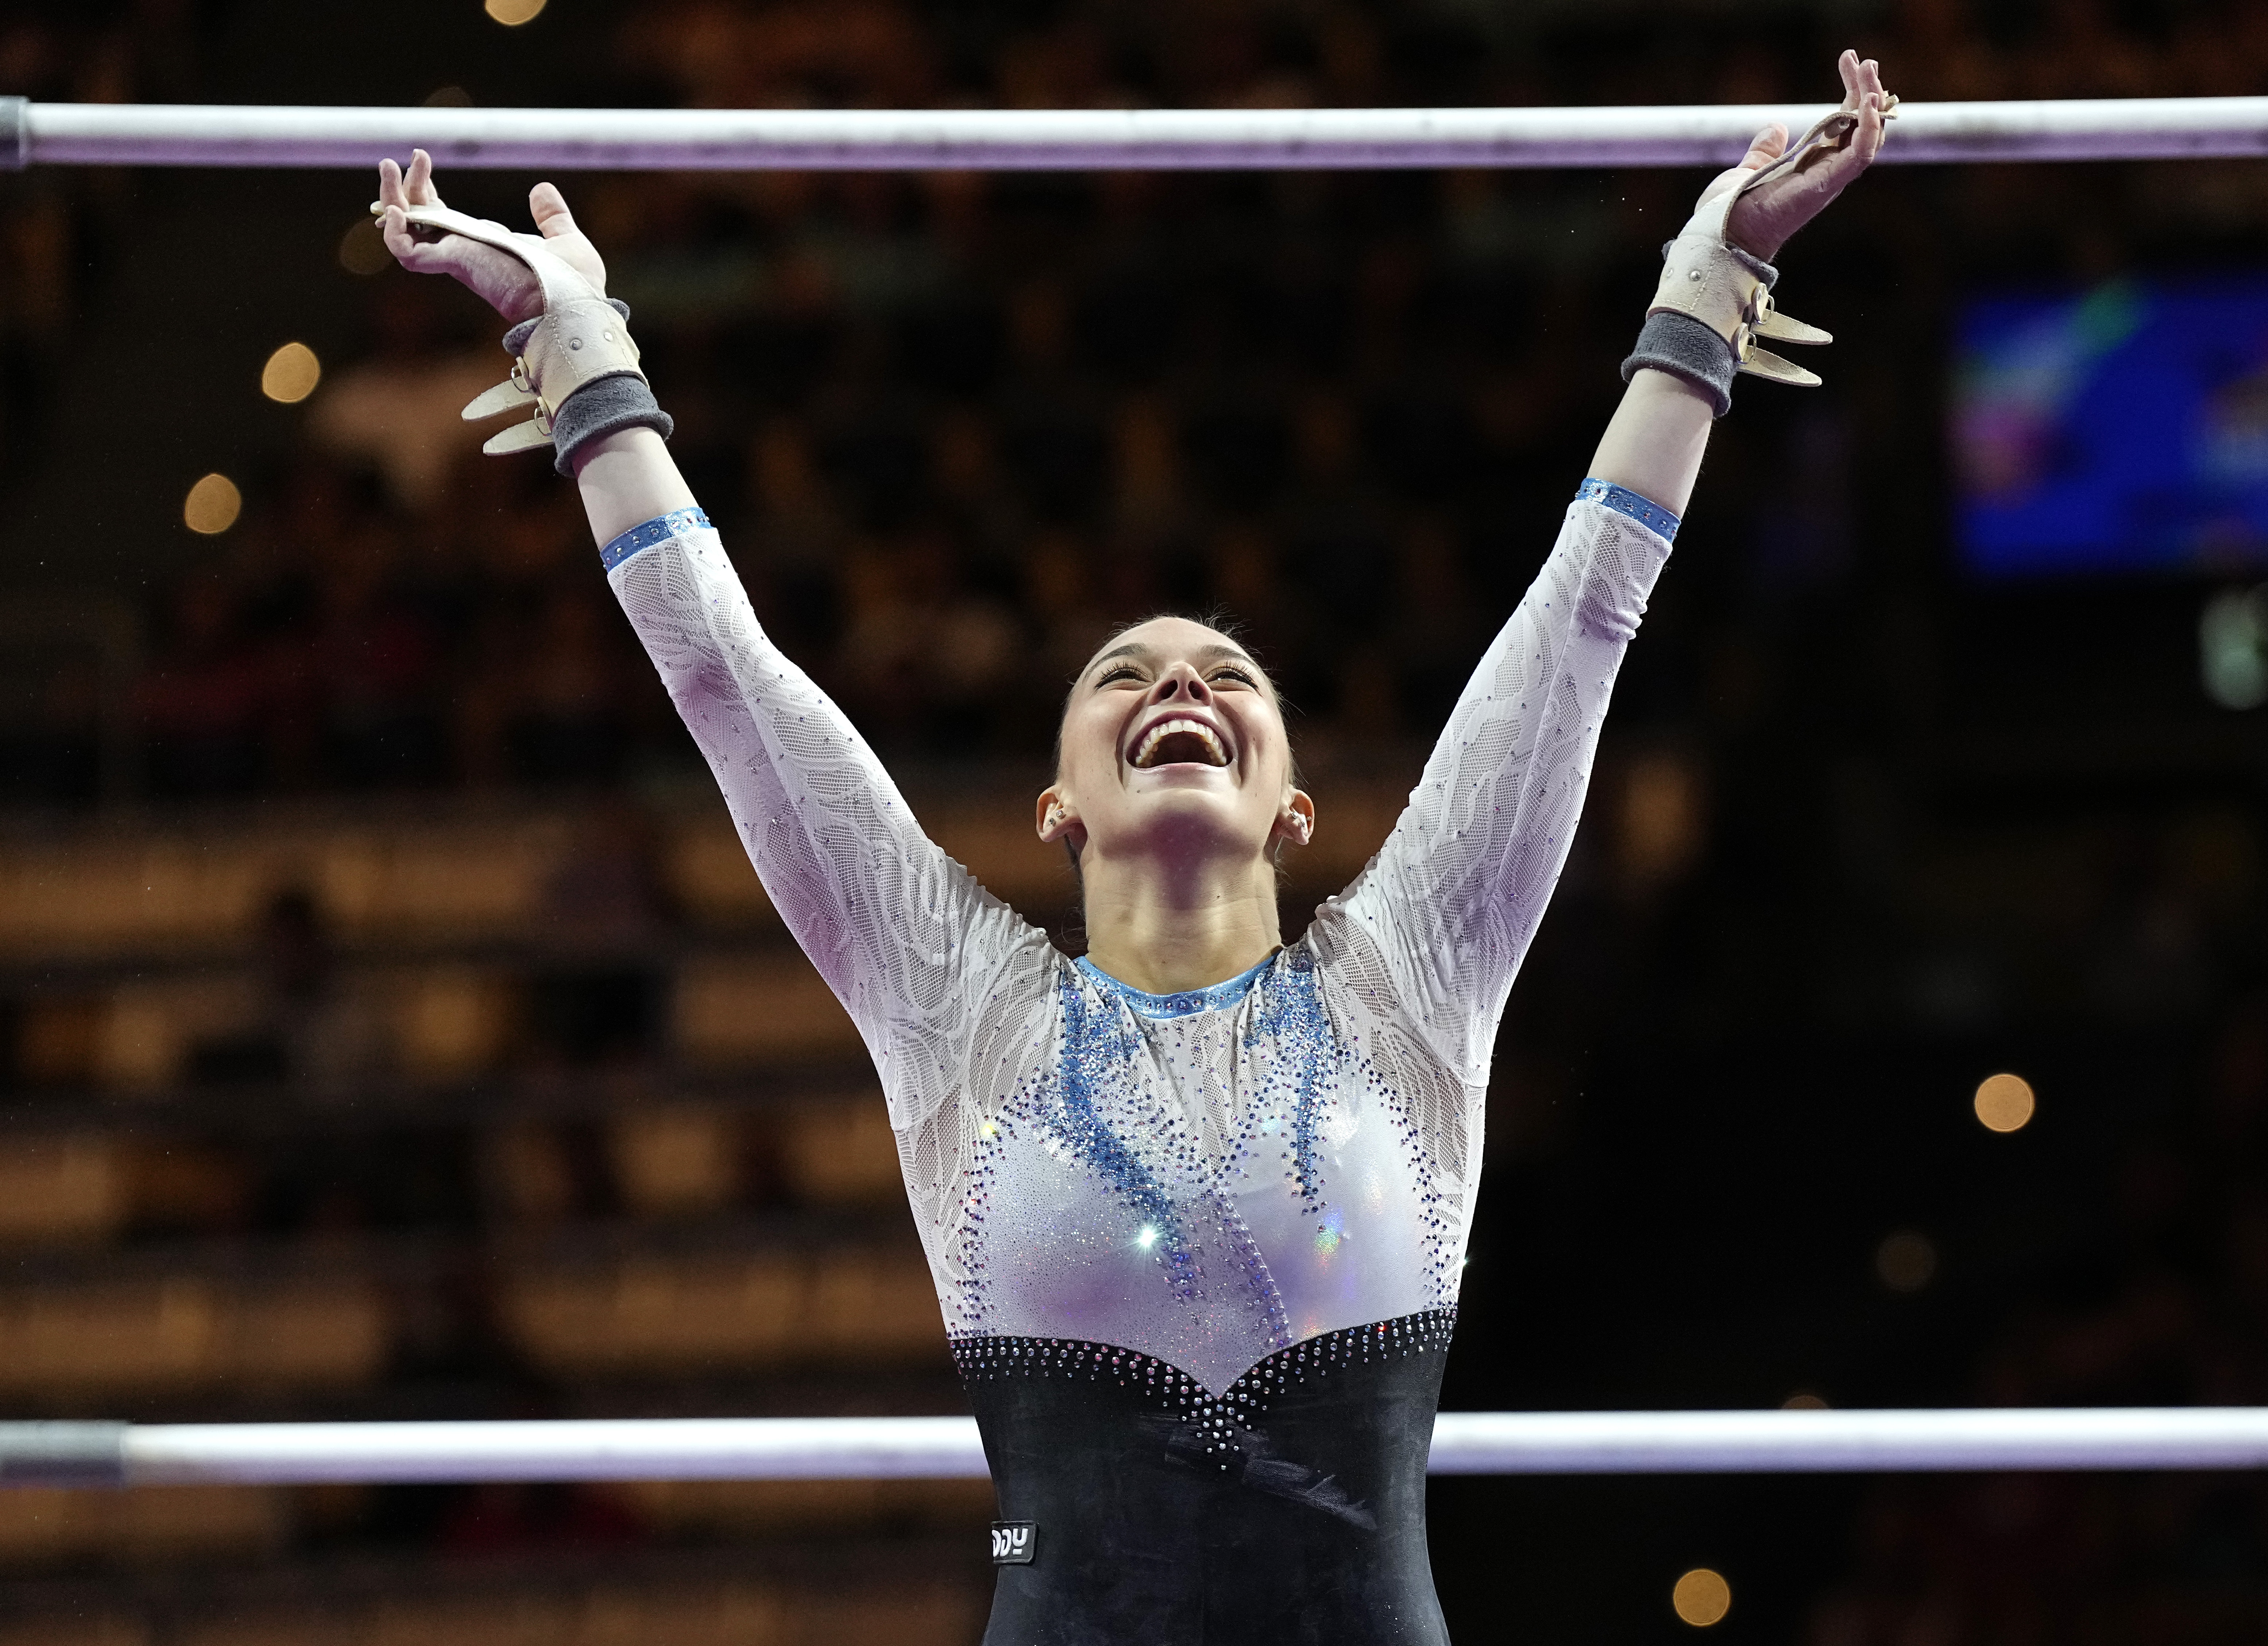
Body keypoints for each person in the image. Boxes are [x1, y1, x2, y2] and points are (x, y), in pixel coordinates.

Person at [372, 51, 1890, 1646]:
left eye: (1229, 676)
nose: (1179, 683)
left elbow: (1587, 616)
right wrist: (576, 341)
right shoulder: (961, 1012)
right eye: (1126, 675)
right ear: (1059, 805)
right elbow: (728, 688)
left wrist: (1714, 275)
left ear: (1297, 809)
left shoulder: (1413, 986)